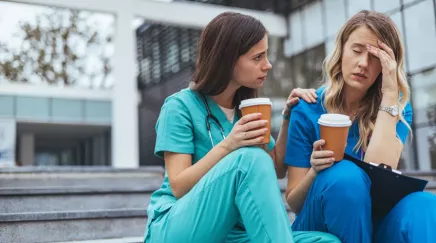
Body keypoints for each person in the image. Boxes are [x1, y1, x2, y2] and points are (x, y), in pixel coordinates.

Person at [144, 12, 340, 243]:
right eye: (257, 58)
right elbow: (178, 186)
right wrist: (229, 145)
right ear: (227, 60)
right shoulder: (179, 107)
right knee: (248, 158)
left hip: (232, 234)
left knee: (326, 242)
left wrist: (287, 117)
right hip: (176, 227)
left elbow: (275, 169)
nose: (267, 65)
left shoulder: (246, 109)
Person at [283, 10, 436, 243]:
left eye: (375, 57)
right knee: (345, 176)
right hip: (317, 223)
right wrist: (315, 171)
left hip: (373, 222)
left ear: (387, 65)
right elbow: (293, 202)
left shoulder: (396, 108)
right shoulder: (306, 108)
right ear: (342, 49)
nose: (363, 64)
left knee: (424, 205)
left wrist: (390, 94)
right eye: (356, 51)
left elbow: (379, 168)